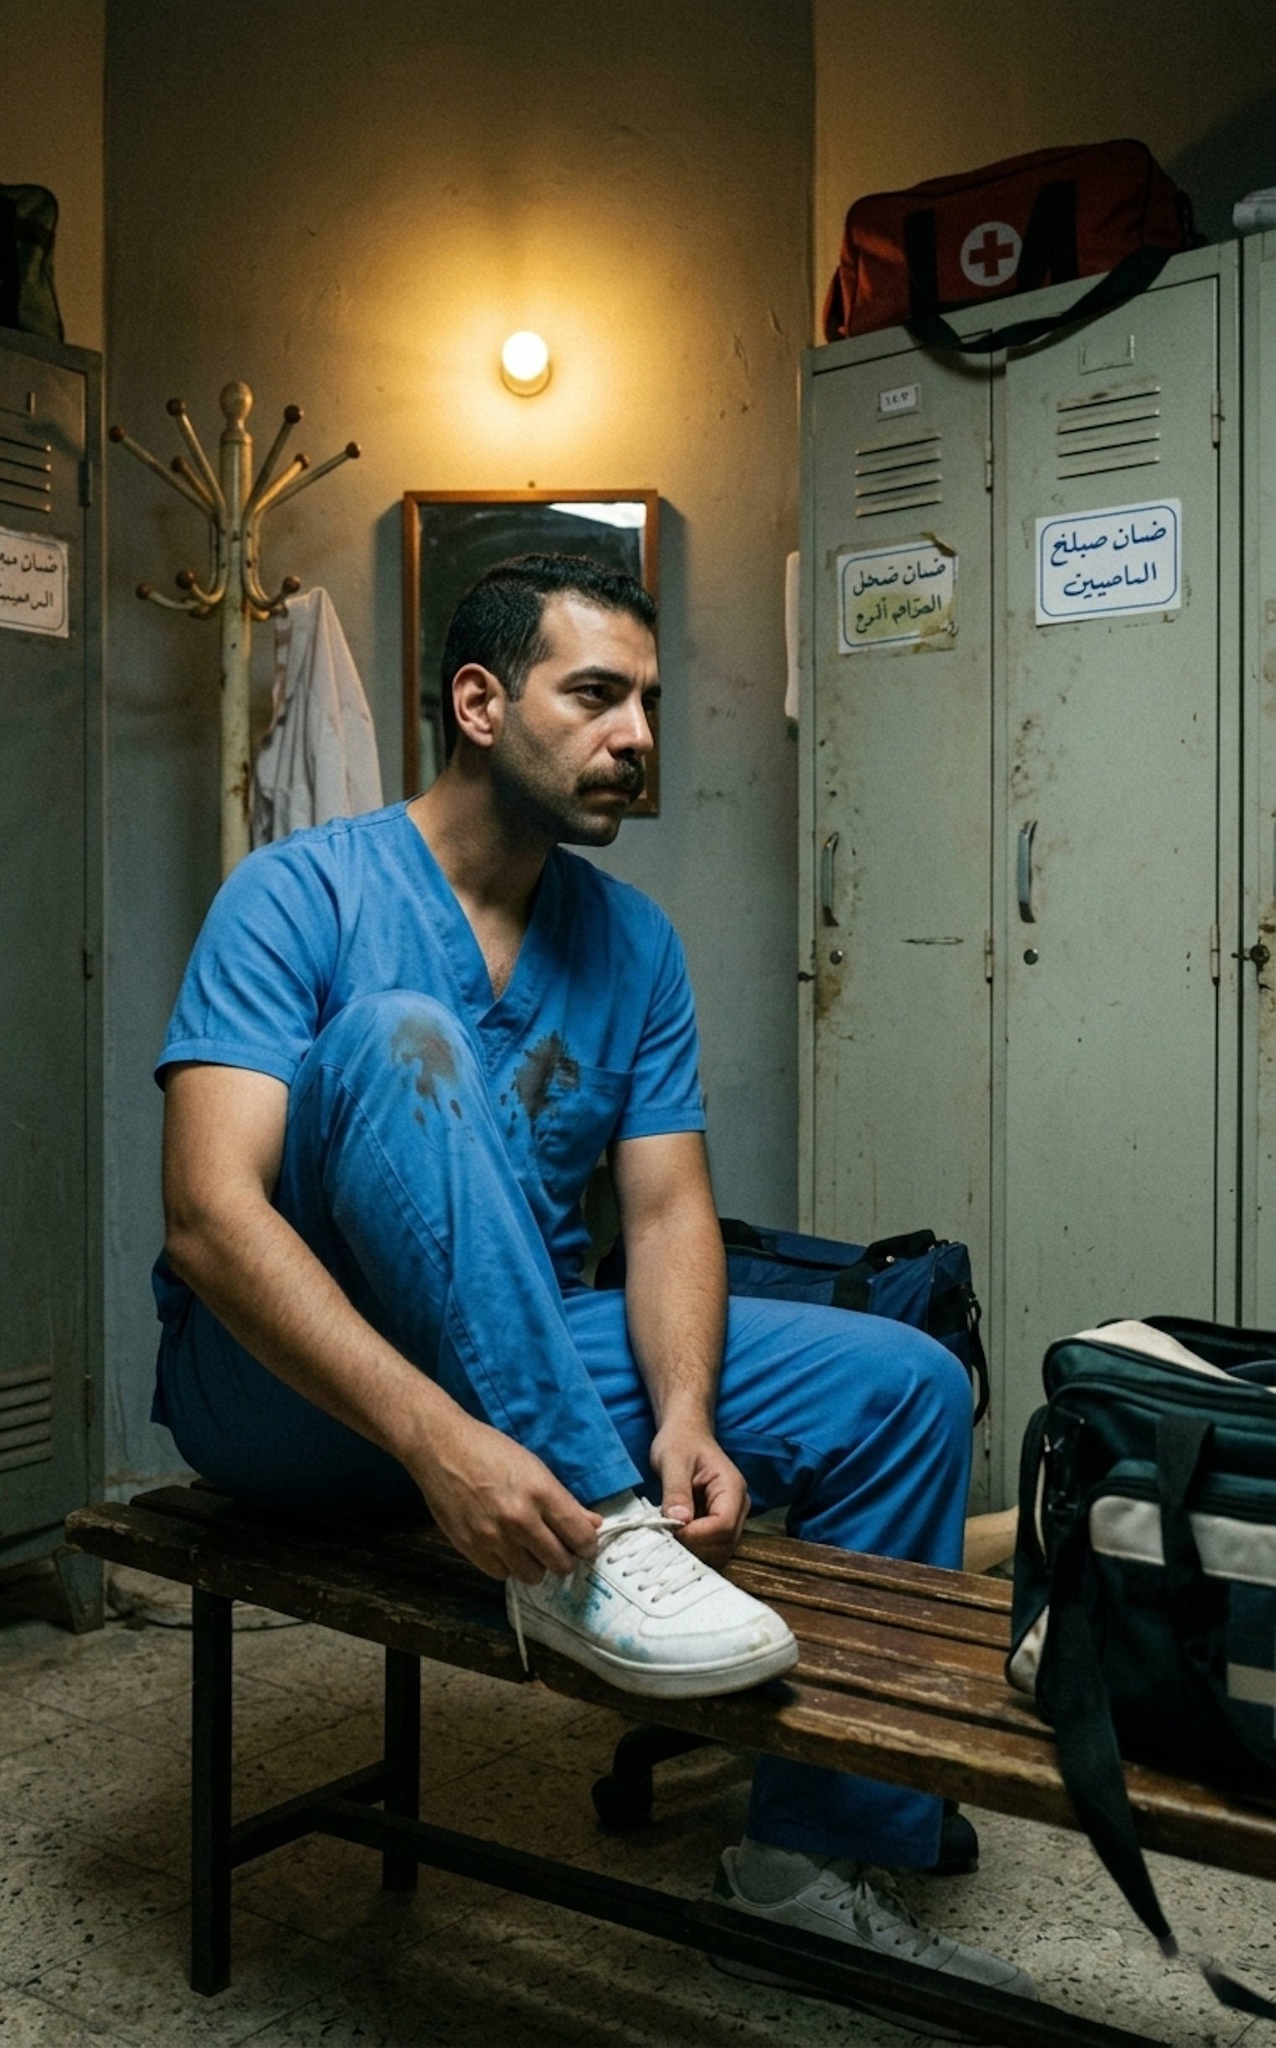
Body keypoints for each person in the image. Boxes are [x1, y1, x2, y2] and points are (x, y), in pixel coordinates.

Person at [150, 552, 1035, 2016]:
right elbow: (208, 1219)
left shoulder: (631, 944)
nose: (638, 735)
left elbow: (669, 1205)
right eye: (598, 695)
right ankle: (591, 1546)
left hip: (509, 1358)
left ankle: (809, 1862)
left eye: (650, 702)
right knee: (398, 1038)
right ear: (481, 703)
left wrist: (686, 1408)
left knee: (905, 1385)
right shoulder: (297, 894)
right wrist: (441, 1441)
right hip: (285, 1393)